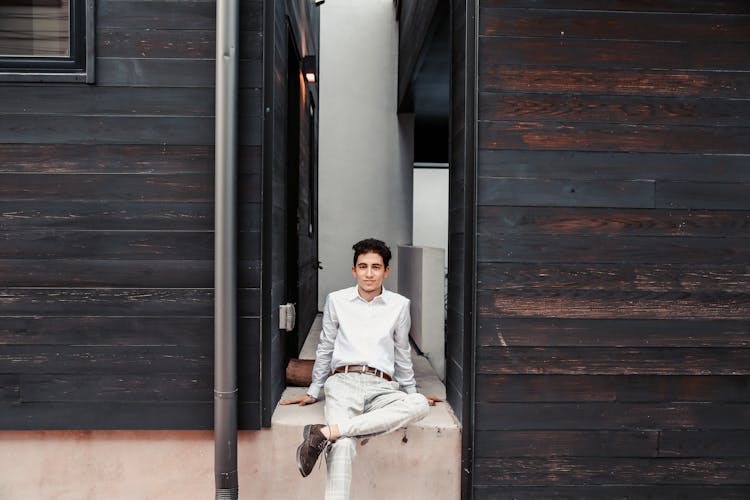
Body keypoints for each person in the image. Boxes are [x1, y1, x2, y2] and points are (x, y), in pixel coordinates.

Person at [280, 238, 441, 500]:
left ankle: (324, 433)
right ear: (354, 270)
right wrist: (314, 390)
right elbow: (325, 347)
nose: (369, 273)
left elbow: (402, 352)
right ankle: (335, 435)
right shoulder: (337, 300)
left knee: (419, 404)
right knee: (342, 446)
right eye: (363, 266)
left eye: (376, 267)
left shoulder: (400, 305)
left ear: (386, 271)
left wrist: (411, 392)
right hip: (343, 383)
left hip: (383, 387)